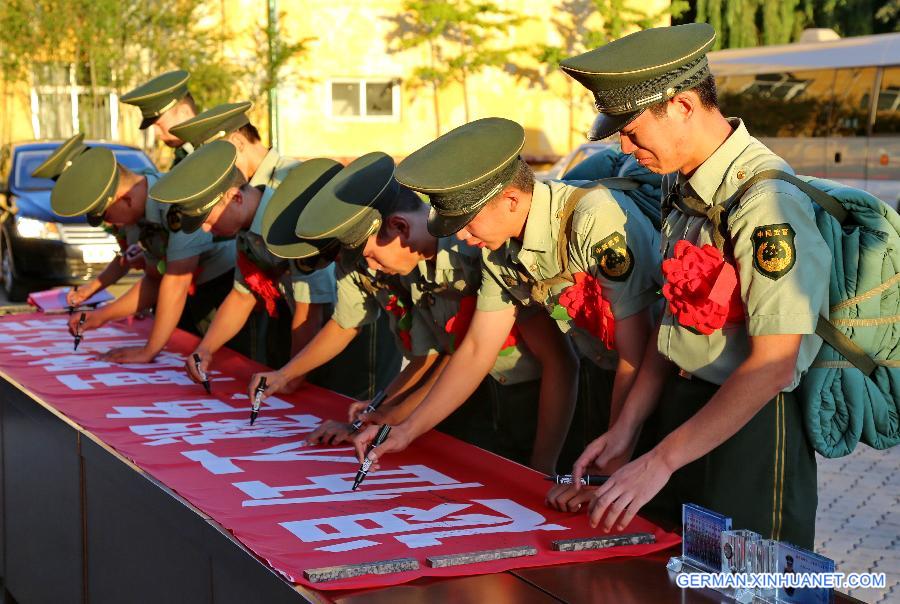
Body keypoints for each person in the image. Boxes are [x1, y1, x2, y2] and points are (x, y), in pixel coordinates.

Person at [556, 22, 827, 549]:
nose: (628, 149)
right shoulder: (681, 187)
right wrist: (627, 434)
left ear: (682, 105)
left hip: (751, 430)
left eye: (633, 132)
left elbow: (773, 365)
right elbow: (670, 327)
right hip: (685, 418)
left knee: (748, 584)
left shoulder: (766, 203)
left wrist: (659, 460)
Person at [352, 118, 662, 482]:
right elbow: (477, 349)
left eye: (468, 224)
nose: (463, 238)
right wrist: (405, 431)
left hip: (651, 390)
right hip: (604, 381)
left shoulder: (593, 219)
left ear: (511, 200)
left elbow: (635, 354)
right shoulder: (499, 250)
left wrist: (607, 473)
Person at [249, 152, 578, 473]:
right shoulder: (415, 263)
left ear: (400, 228)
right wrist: (381, 415)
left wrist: (542, 467)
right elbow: (432, 354)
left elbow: (553, 361)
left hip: (527, 401)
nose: (373, 270)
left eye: (373, 259)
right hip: (466, 398)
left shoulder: (481, 249)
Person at [52, 146, 235, 362]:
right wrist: (101, 316)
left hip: (226, 291)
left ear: (126, 199)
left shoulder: (174, 203)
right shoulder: (140, 214)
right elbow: (154, 279)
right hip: (197, 297)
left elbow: (177, 282)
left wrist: (148, 351)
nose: (109, 224)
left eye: (107, 215)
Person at [120, 70, 198, 166]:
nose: (156, 132)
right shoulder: (185, 153)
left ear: (184, 112)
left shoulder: (215, 149)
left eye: (159, 124)